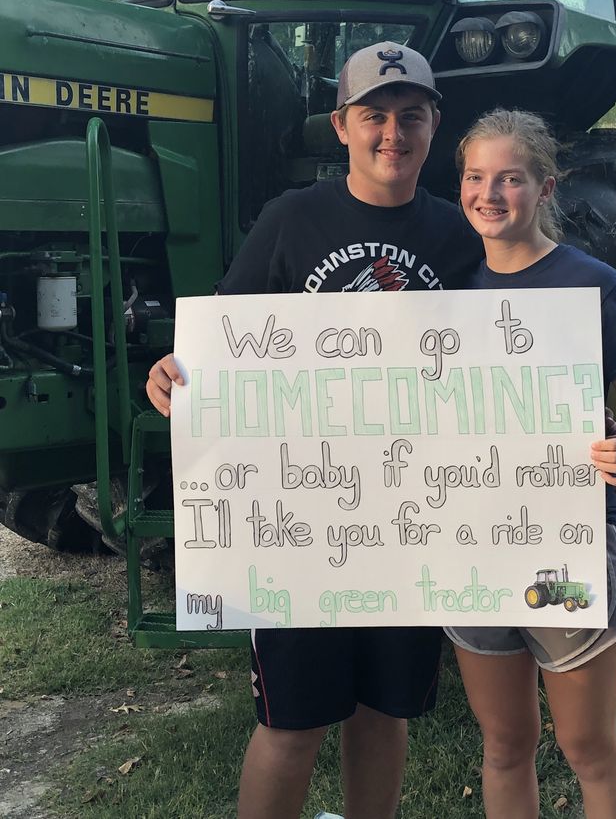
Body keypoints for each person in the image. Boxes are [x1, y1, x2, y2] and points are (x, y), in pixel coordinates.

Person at [145, 42, 483, 819]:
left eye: (411, 116)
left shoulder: (459, 235)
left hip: (409, 515)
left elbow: (506, 352)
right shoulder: (292, 218)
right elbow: (224, 336)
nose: (392, 133)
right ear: (341, 125)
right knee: (291, 722)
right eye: (374, 115)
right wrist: (172, 369)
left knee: (383, 711)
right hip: (298, 520)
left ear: (436, 125)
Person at [447, 108, 616, 819]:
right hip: (474, 550)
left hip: (566, 545)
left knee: (587, 746)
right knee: (504, 744)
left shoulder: (592, 282)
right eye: (476, 177)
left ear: (546, 188)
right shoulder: (447, 293)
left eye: (510, 178)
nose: (490, 193)